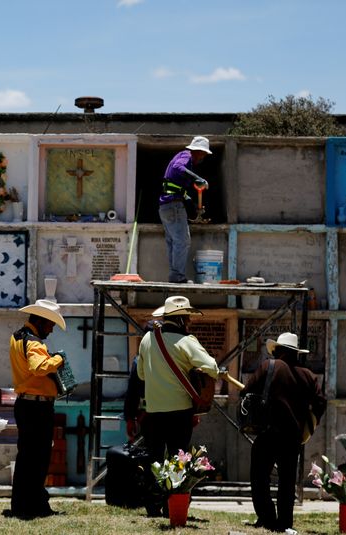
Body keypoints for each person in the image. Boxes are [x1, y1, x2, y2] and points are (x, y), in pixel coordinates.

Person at [244, 332, 327, 533]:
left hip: (268, 433)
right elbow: (320, 403)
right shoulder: (308, 376)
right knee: (287, 481)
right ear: (296, 353)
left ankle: (267, 518)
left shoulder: (269, 367)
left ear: (279, 351)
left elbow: (246, 391)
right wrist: (309, 426)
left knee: (260, 476)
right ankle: (284, 522)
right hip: (293, 437)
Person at [136, 296, 219, 463]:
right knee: (178, 463)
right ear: (180, 319)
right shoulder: (186, 340)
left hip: (153, 412)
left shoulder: (146, 339)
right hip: (179, 413)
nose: (189, 321)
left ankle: (156, 490)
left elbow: (141, 375)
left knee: (156, 463)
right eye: (187, 317)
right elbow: (212, 367)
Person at [7, 299, 66, 519]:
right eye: (50, 324)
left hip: (25, 404)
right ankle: (36, 506)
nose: (51, 329)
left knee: (26, 458)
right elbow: (39, 367)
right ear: (41, 321)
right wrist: (58, 359)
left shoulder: (17, 337)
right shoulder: (34, 343)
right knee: (39, 459)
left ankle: (22, 505)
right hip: (37, 407)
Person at [159, 136, 212, 283]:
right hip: (173, 206)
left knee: (174, 242)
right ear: (198, 151)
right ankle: (177, 276)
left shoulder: (181, 157)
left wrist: (191, 202)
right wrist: (197, 178)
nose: (203, 158)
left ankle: (174, 275)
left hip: (166, 206)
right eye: (203, 154)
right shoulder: (186, 156)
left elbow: (175, 187)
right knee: (182, 241)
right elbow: (178, 168)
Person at [124, 307, 163, 442]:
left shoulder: (140, 360)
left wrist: (130, 418)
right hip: (170, 413)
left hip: (149, 415)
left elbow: (133, 391)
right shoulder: (173, 358)